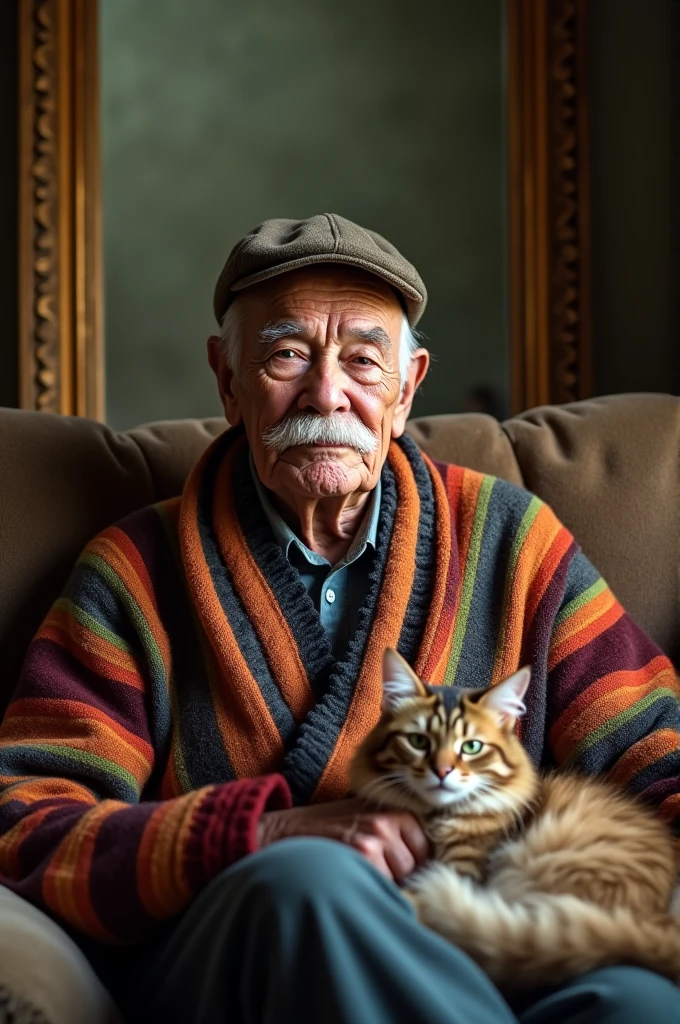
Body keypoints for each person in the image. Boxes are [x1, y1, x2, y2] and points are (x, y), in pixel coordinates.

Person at [0, 214, 678, 1024]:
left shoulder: (515, 540)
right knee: (311, 884)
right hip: (245, 945)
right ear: (227, 379)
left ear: (407, 387)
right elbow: (27, 820)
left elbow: (656, 756)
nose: (328, 392)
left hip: (491, 929)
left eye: (363, 359)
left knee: (638, 997)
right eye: (287, 355)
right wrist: (262, 831)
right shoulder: (133, 571)